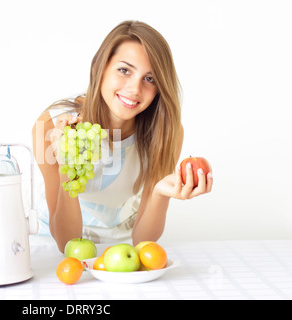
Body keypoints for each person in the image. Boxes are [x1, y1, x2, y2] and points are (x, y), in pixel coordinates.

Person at [32, 20, 213, 252]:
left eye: (150, 79)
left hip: (121, 245)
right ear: (99, 67)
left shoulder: (167, 131)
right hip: (51, 244)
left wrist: (159, 193)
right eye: (124, 70)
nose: (135, 89)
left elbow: (143, 241)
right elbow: (66, 243)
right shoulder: (49, 126)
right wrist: (67, 168)